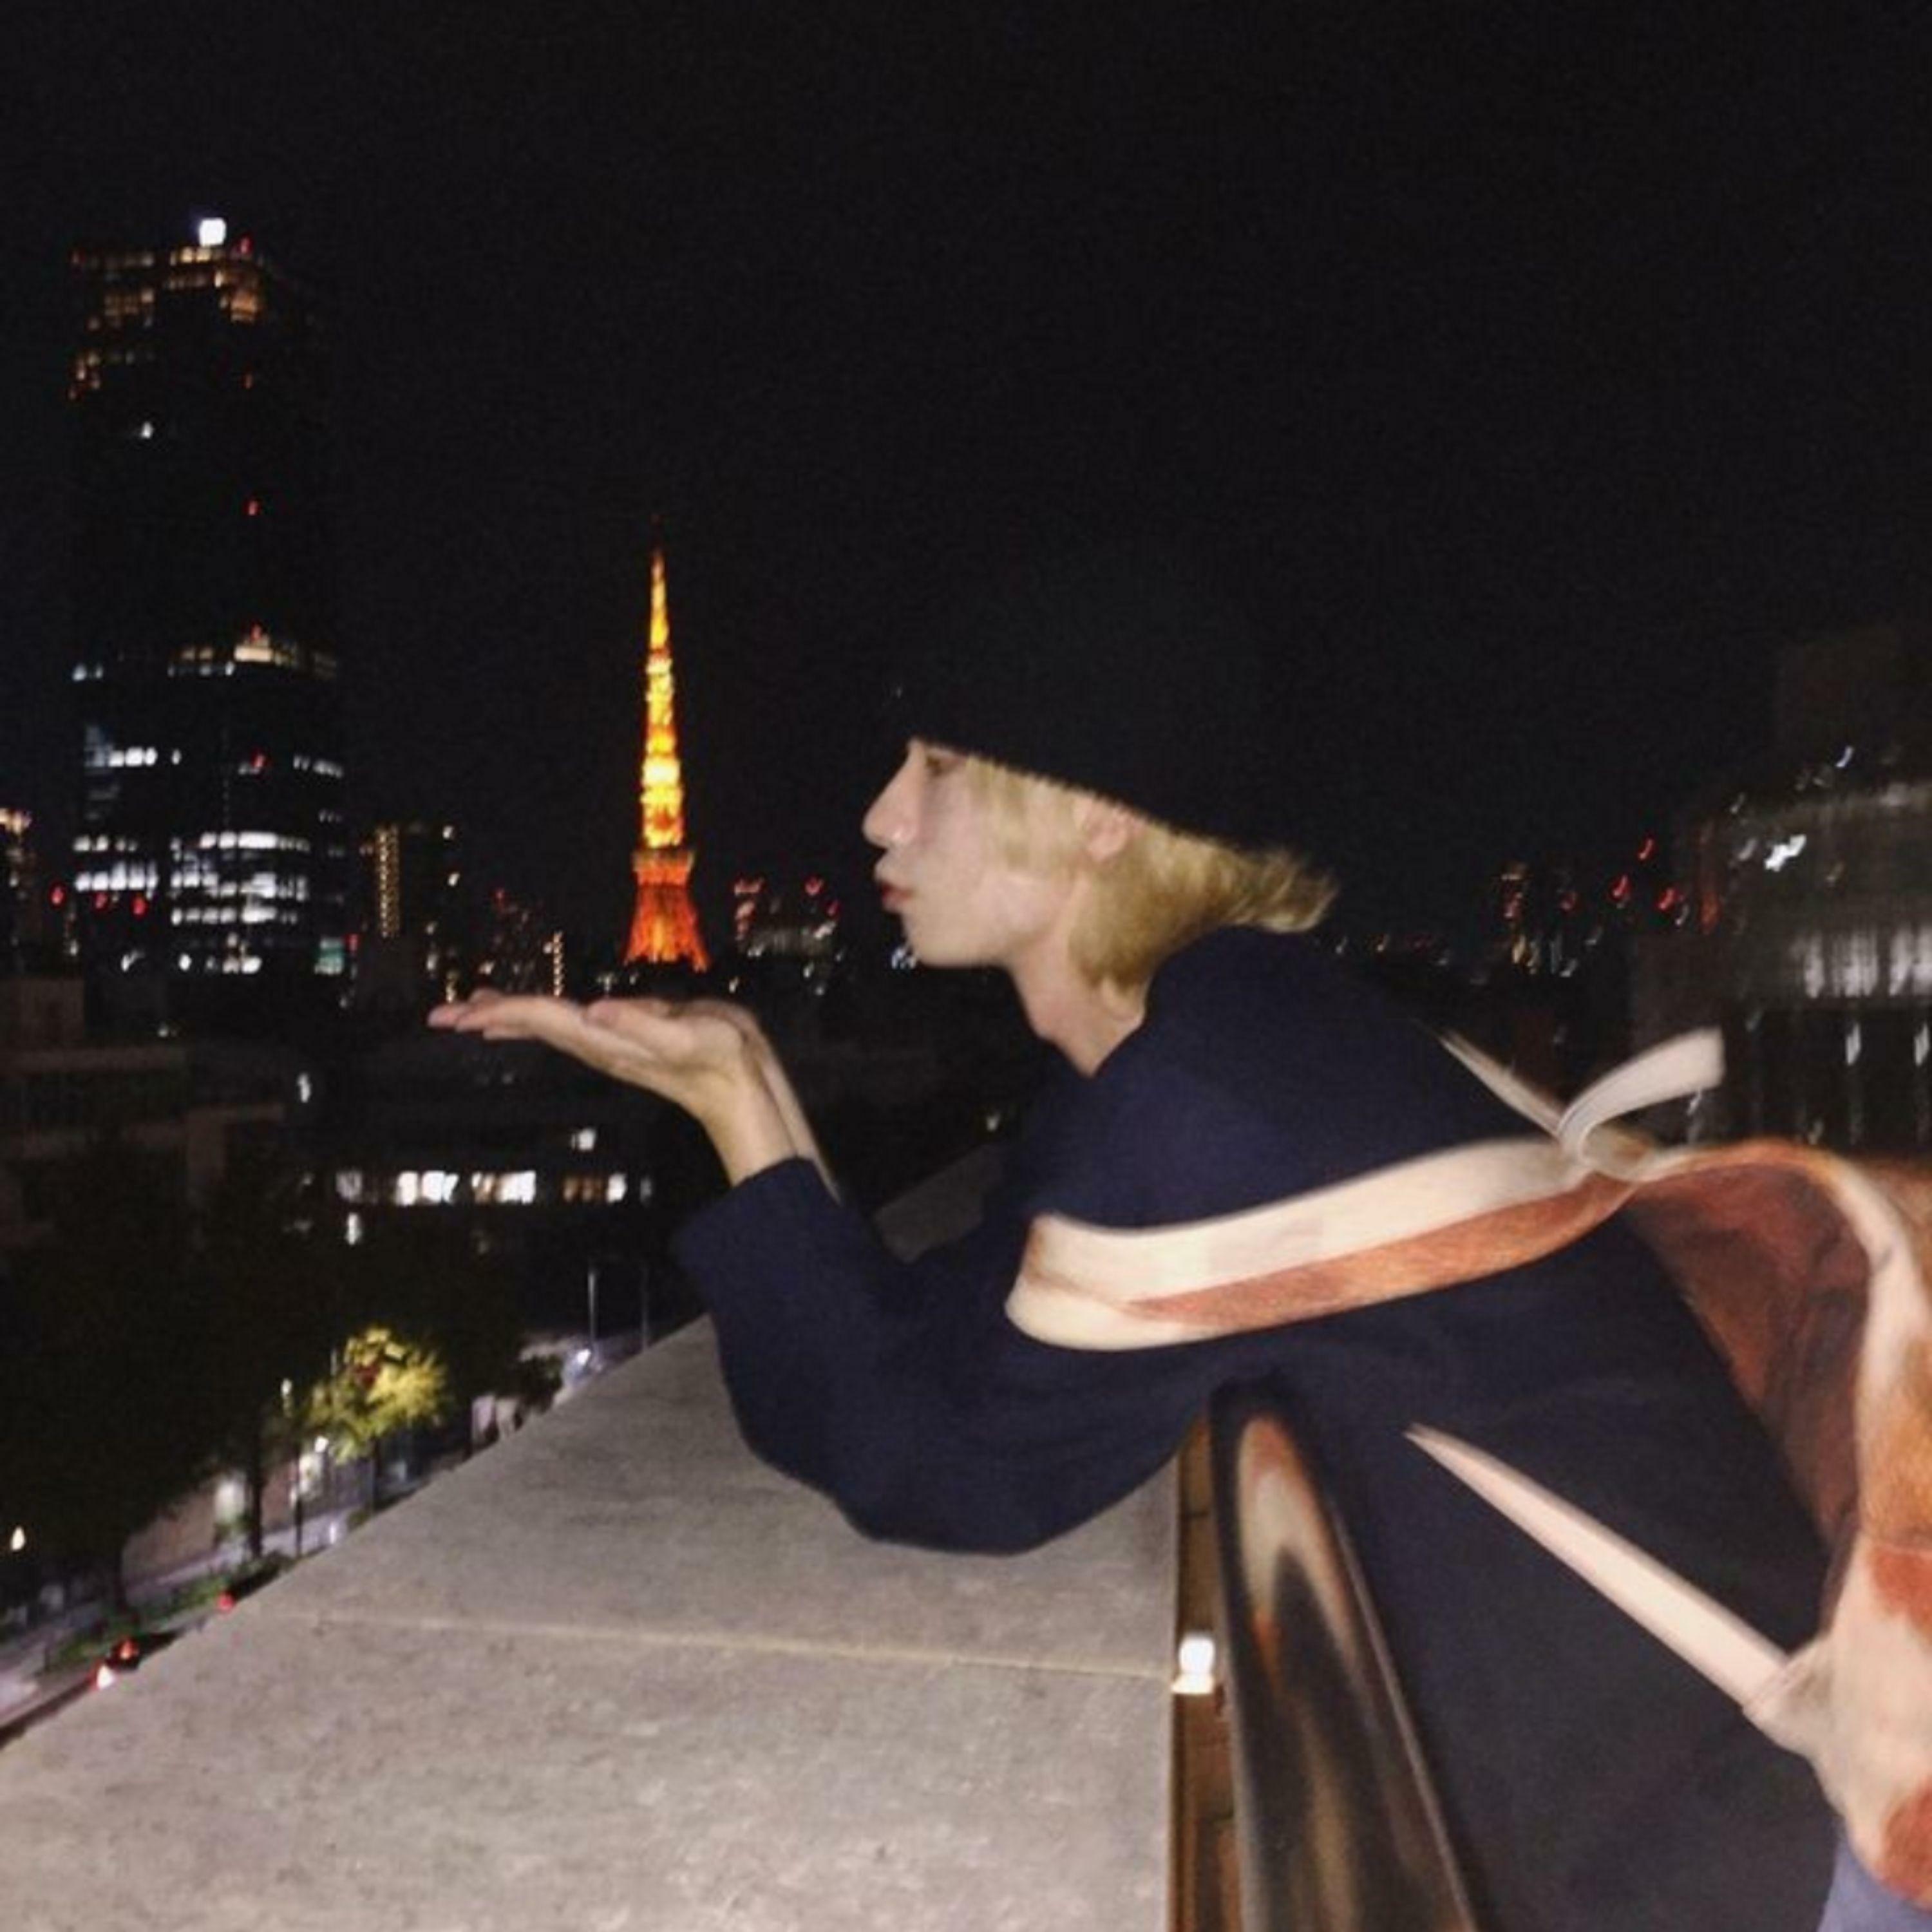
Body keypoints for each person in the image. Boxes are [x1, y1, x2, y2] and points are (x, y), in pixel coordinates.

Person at [435, 549, 1869, 1929]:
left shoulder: (1210, 1097)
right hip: (1720, 1808)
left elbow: (939, 1471)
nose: (880, 816)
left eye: (939, 767)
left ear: (1100, 818)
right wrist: (753, 1082)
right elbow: (945, 1351)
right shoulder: (1220, 1036)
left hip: (1760, 1863)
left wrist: (736, 1113)